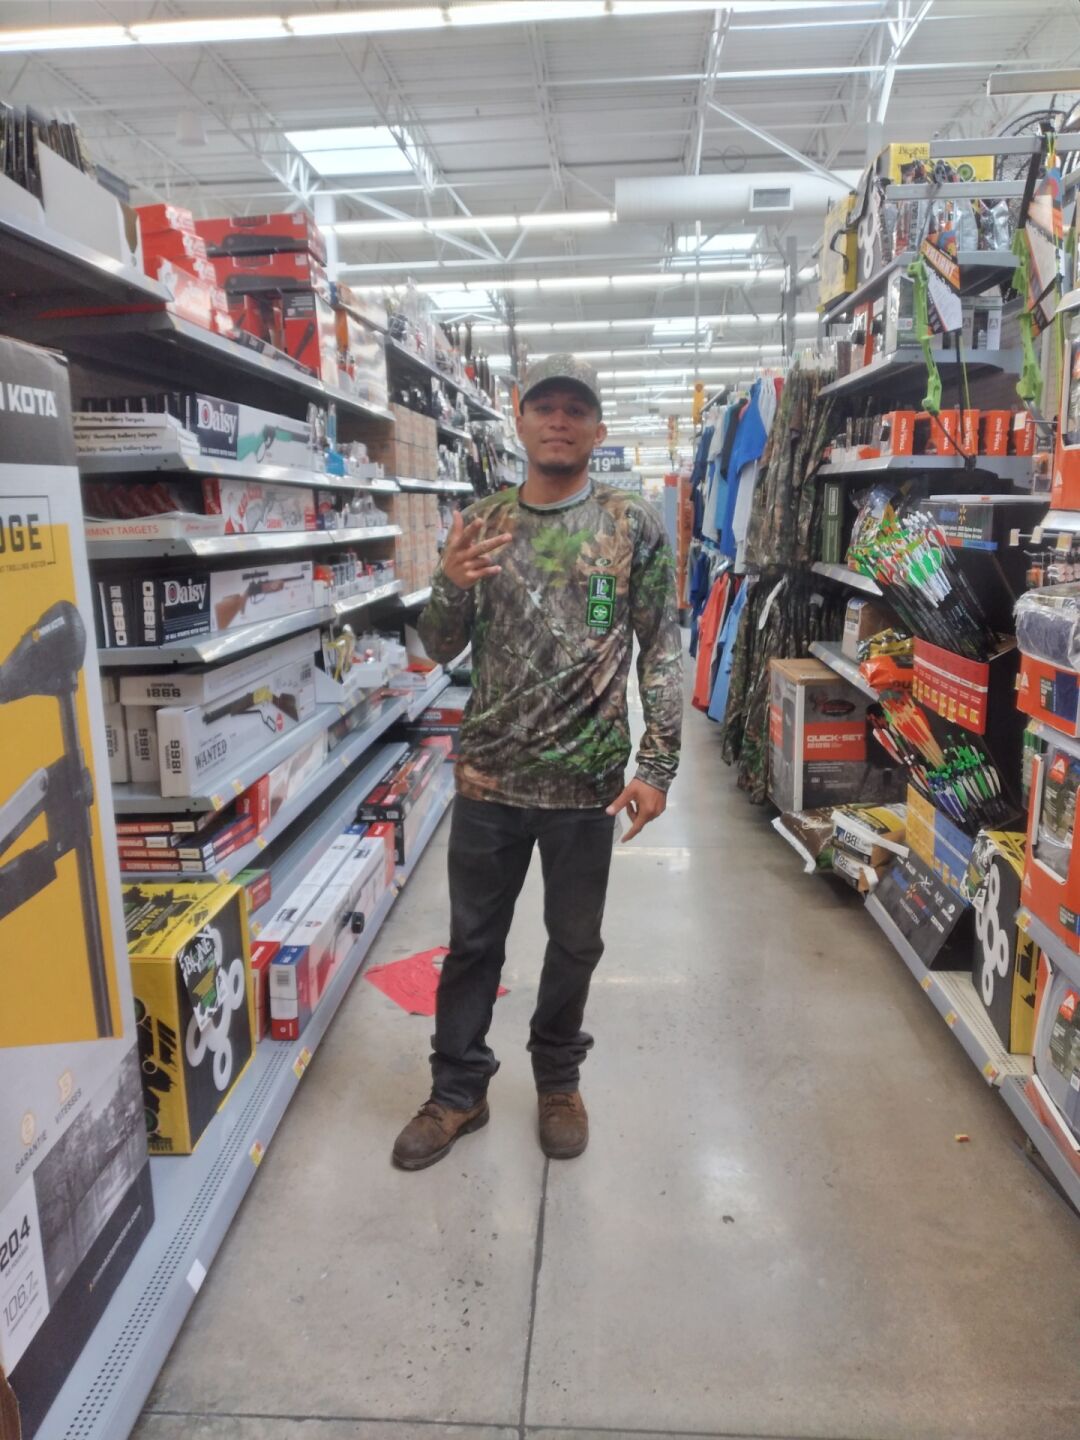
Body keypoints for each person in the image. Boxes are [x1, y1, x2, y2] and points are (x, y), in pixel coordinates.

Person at [392, 354, 683, 1171]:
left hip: (587, 789)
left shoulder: (630, 523)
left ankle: (558, 1081)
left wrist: (658, 764)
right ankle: (458, 1091)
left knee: (575, 944)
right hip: (489, 779)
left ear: (597, 428)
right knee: (472, 945)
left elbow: (661, 647)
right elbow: (438, 646)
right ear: (518, 420)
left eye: (575, 410)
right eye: (545, 407)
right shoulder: (483, 523)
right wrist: (448, 584)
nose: (559, 421)